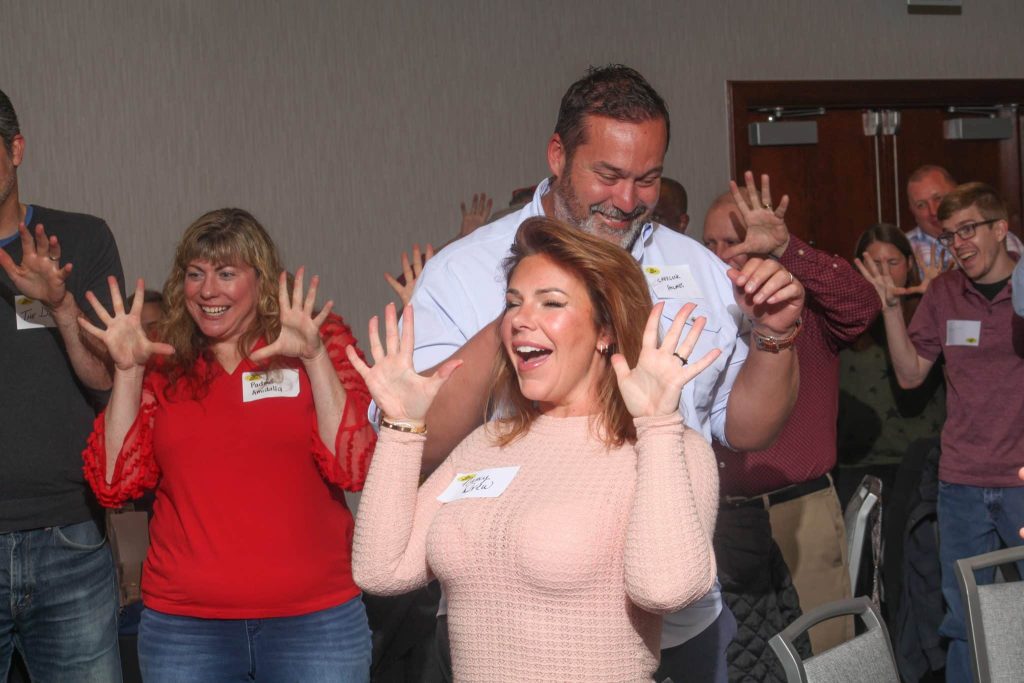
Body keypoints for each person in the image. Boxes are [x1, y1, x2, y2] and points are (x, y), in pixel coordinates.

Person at [405, 64, 804, 682]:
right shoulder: (466, 272)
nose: (627, 200)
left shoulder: (694, 267)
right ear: (558, 155)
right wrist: (527, 303)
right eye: (609, 175)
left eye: (647, 179)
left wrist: (775, 336)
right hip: (513, 637)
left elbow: (747, 429)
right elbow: (422, 444)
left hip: (678, 623)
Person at [352, 218, 721, 682]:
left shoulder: (670, 450)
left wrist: (658, 425)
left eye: (551, 303)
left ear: (605, 331)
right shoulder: (486, 443)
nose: (520, 320)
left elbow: (666, 591)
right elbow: (382, 570)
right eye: (513, 303)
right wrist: (402, 427)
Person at [79, 208, 377, 682]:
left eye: (226, 273)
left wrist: (315, 357)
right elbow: (115, 483)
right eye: (195, 274)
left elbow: (353, 466)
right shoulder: (162, 359)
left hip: (316, 621)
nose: (208, 290)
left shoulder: (316, 341)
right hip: (186, 630)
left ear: (261, 280)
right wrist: (128, 372)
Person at [702, 175, 879, 667]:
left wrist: (789, 249)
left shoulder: (804, 307)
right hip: (718, 523)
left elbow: (863, 308)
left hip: (796, 515)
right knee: (740, 663)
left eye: (732, 242)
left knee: (823, 658)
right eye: (709, 244)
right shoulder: (701, 314)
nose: (721, 256)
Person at [857, 183, 1024, 683]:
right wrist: (890, 308)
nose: (960, 243)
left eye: (969, 229)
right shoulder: (945, 292)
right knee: (964, 618)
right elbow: (910, 374)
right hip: (961, 484)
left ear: (1000, 229)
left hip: (1020, 480)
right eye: (951, 236)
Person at [0, 87, 124, 682]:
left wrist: (62, 302)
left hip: (68, 538)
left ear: (16, 149)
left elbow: (107, 380)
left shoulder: (81, 240)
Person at [838, 224, 947, 495]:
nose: (884, 272)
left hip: (921, 460)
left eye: (893, 262)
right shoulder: (845, 317)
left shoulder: (926, 310)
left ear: (909, 264)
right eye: (874, 263)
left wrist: (939, 294)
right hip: (858, 463)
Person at [905, 164, 1022, 273]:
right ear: (911, 211)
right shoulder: (902, 249)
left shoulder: (998, 238)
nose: (933, 211)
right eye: (921, 205)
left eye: (938, 198)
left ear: (956, 193)